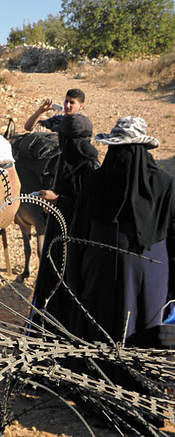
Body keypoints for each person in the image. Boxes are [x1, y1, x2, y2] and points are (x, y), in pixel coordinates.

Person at [68, 117, 175, 348]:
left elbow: (77, 234)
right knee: (145, 330)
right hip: (151, 270)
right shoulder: (164, 184)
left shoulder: (95, 182)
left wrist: (74, 277)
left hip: (99, 268)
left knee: (101, 328)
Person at [29, 114, 100, 332]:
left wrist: (59, 200)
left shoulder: (91, 167)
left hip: (77, 239)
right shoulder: (64, 160)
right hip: (56, 232)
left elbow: (90, 207)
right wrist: (50, 202)